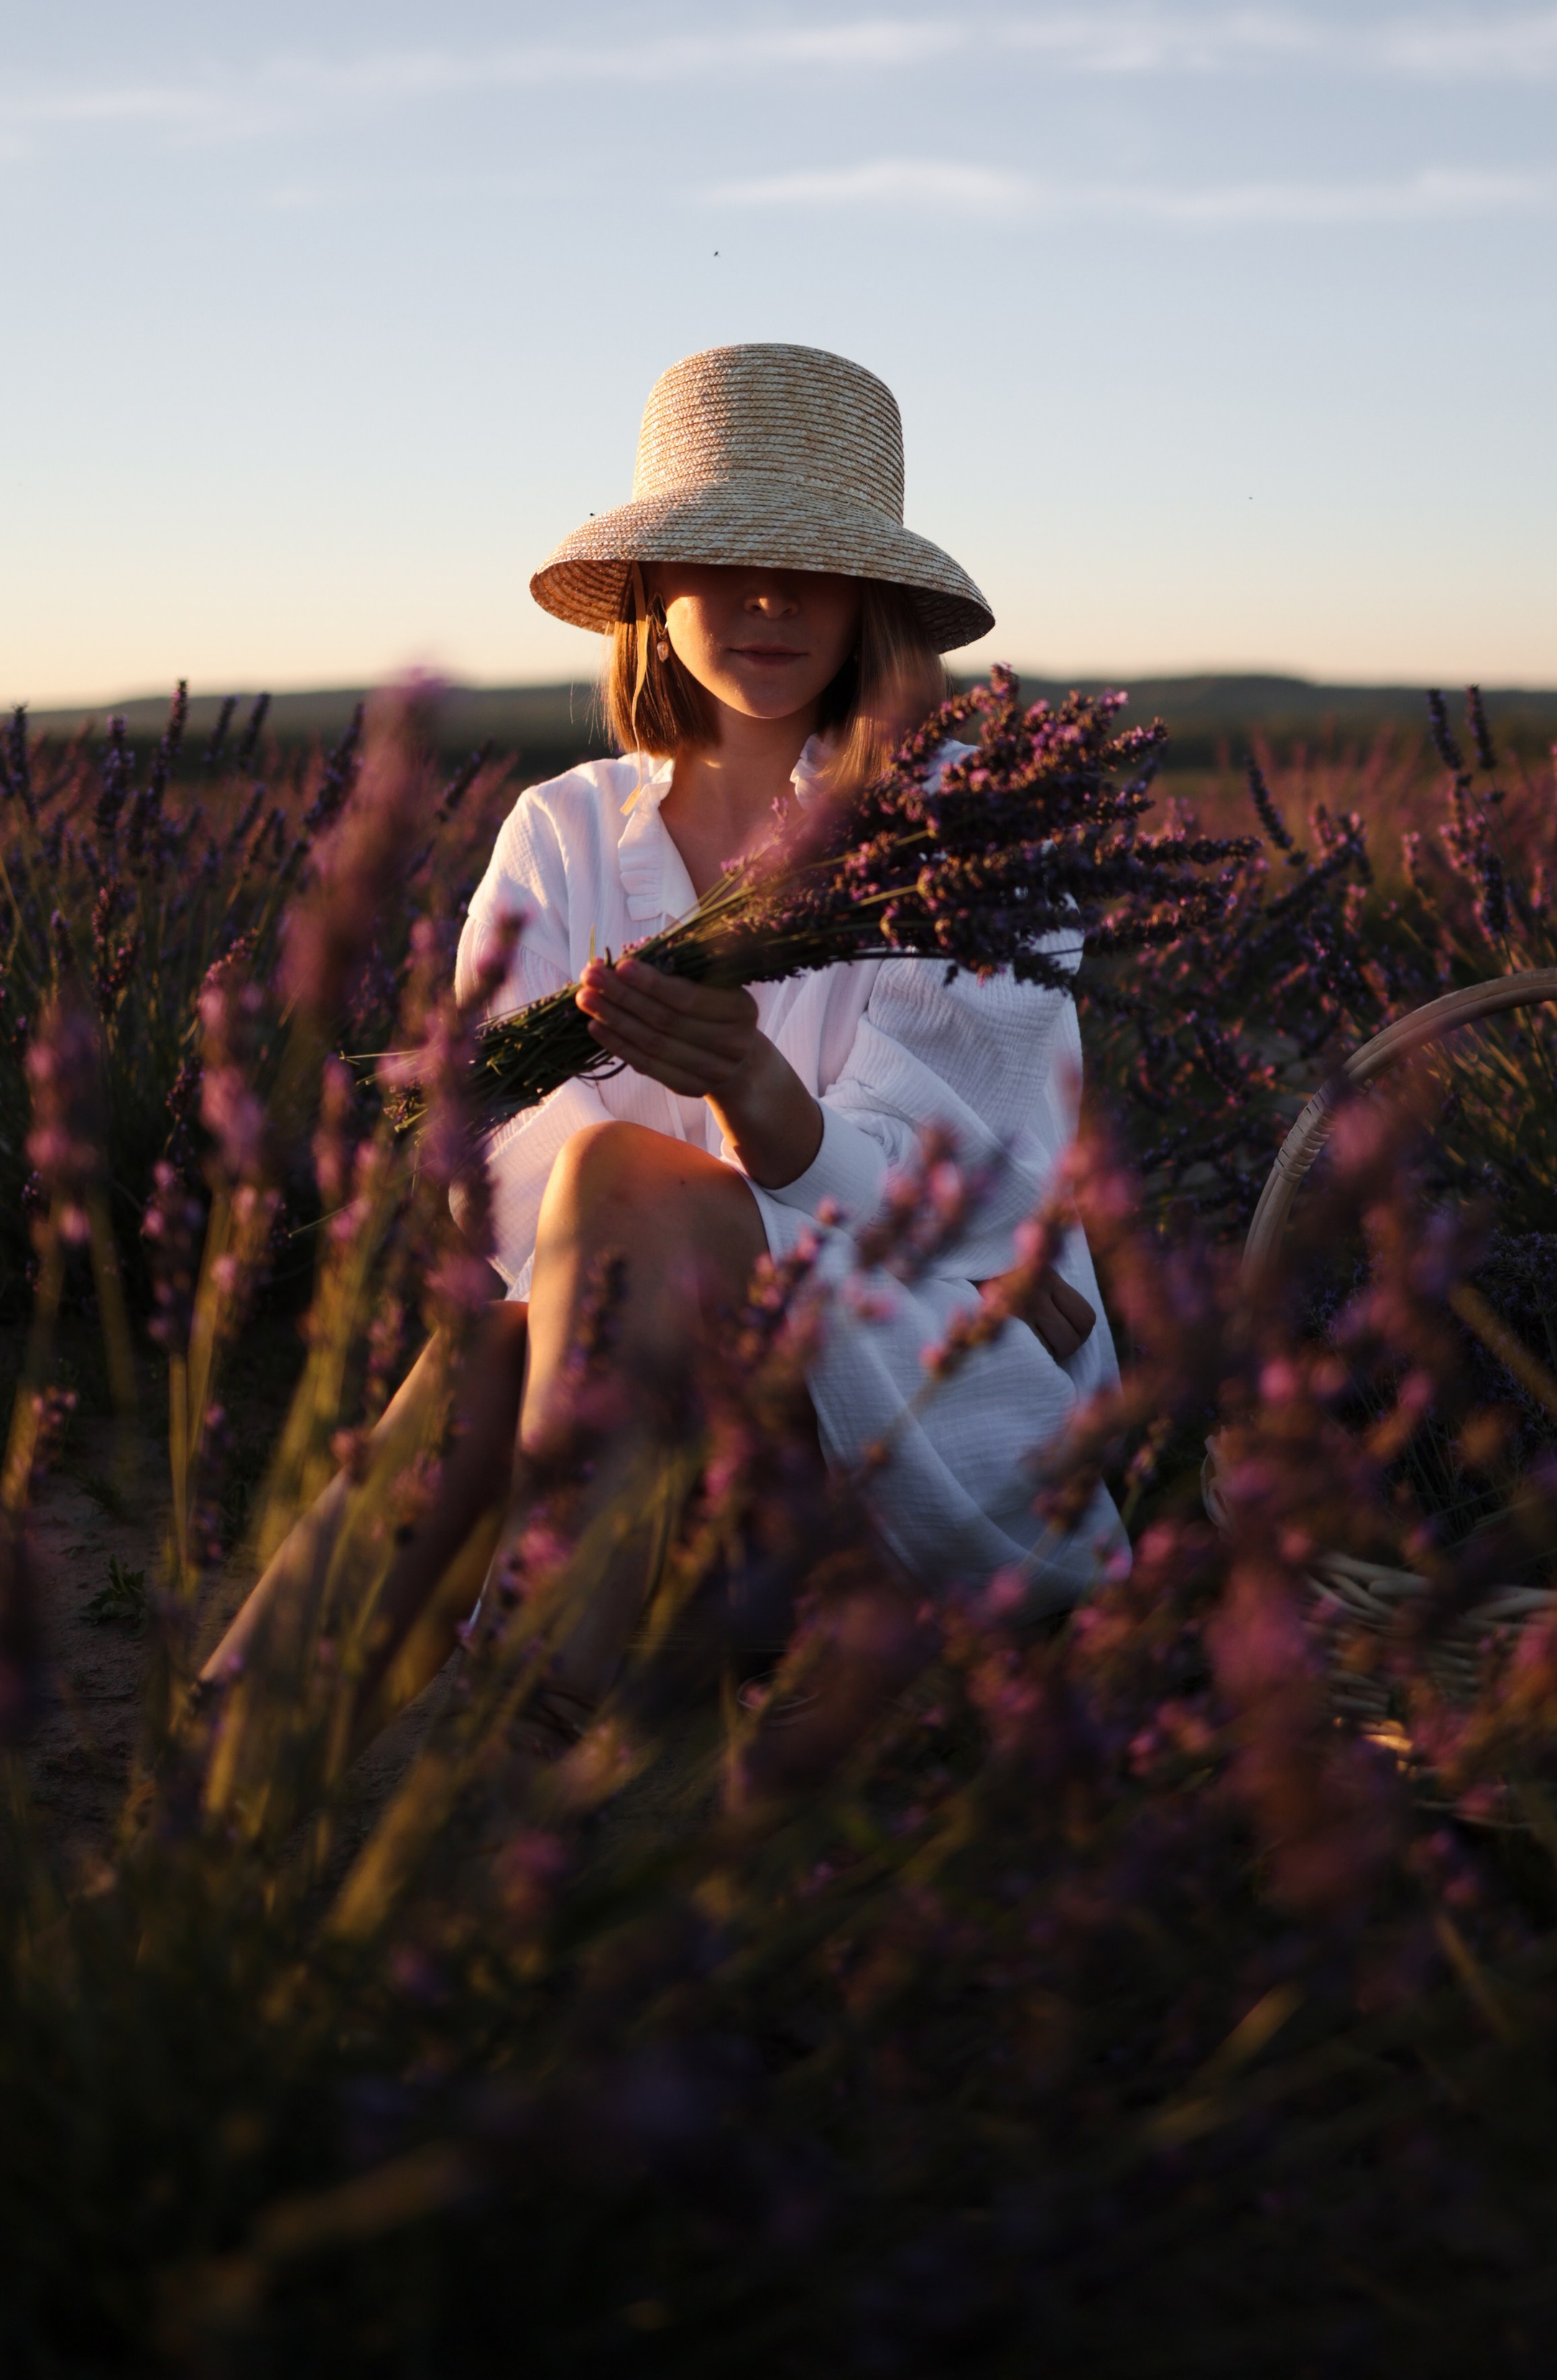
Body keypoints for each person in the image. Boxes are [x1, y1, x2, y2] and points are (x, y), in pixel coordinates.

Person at [205, 342, 1128, 1746]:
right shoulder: (564, 827)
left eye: (813, 564)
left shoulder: (965, 835)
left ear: (871, 597)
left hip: (921, 1372)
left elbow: (960, 1203)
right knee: (505, 1334)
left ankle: (491, 1725)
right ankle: (257, 1753)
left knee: (612, 1197)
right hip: (619, 1381)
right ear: (649, 586)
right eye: (724, 556)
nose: (769, 598)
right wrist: (619, 1232)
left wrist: (753, 1095)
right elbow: (486, 1174)